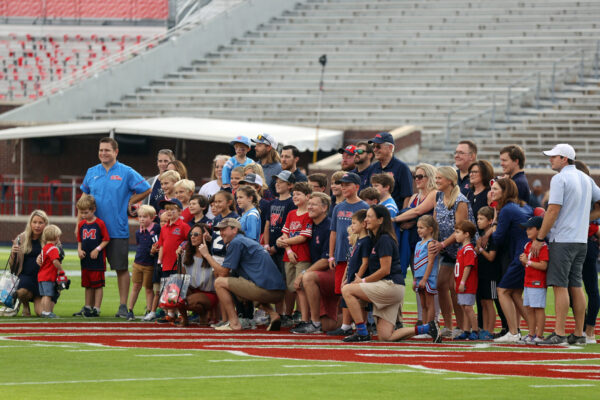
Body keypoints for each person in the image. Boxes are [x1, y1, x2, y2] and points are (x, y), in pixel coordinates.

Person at [532, 144, 600, 345]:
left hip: (562, 239)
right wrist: (585, 218)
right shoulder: (586, 178)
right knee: (576, 285)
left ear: (564, 158)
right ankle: (578, 333)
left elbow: (553, 210)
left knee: (560, 286)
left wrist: (539, 238)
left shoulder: (560, 178)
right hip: (580, 240)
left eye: (554, 157)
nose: (550, 160)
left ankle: (559, 333)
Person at [80, 137, 151, 318]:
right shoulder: (91, 172)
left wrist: (131, 201)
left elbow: (146, 188)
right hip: (92, 230)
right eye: (101, 150)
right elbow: (83, 200)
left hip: (117, 229)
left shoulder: (126, 172)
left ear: (116, 152)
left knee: (120, 267)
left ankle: (122, 306)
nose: (103, 153)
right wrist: (78, 226)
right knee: (90, 268)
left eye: (107, 150)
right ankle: (89, 307)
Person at [199, 218, 286, 331]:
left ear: (235, 229)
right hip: (278, 292)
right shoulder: (244, 241)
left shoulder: (236, 242)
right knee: (241, 286)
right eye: (219, 230)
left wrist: (206, 255)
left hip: (265, 290)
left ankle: (234, 323)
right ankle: (273, 315)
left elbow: (223, 273)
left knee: (219, 282)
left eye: (224, 229)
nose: (221, 233)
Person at [340, 205, 405, 342]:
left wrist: (363, 281)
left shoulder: (384, 239)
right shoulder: (377, 238)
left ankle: (362, 332)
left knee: (347, 290)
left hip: (391, 285)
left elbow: (385, 270)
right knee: (385, 337)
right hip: (391, 287)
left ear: (380, 220)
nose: (366, 219)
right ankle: (427, 328)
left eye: (369, 216)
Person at [431, 166, 474, 337]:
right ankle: (448, 325)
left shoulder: (460, 201)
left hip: (461, 249)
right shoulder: (439, 196)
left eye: (440, 178)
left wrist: (441, 244)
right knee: (441, 284)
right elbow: (435, 221)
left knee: (454, 286)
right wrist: (433, 240)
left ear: (450, 180)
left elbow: (460, 229)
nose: (437, 181)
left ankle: (462, 326)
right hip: (446, 249)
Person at [490, 179, 532, 343]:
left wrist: (493, 223)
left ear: (505, 191)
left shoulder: (507, 209)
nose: (492, 192)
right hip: (525, 253)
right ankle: (534, 330)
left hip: (519, 255)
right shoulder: (522, 205)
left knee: (502, 290)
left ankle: (513, 332)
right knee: (514, 293)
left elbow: (498, 238)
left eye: (495, 189)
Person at [327, 172, 369, 336]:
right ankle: (345, 325)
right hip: (341, 255)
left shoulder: (364, 207)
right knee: (342, 290)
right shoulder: (338, 207)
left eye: (347, 185)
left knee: (355, 290)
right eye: (341, 185)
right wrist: (331, 255)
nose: (343, 188)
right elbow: (333, 233)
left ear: (357, 187)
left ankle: (360, 324)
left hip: (357, 256)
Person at [290, 192, 336, 334]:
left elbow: (325, 260)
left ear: (324, 208)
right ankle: (305, 320)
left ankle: (314, 323)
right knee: (327, 326)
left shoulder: (329, 227)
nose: (309, 207)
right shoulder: (310, 224)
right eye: (309, 204)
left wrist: (304, 273)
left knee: (306, 277)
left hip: (331, 271)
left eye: (314, 204)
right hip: (318, 271)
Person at [277, 182, 313, 322]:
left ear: (307, 196)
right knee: (290, 286)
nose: (295, 197)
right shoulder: (291, 213)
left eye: (298, 194)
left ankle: (303, 316)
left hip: (303, 256)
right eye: (294, 194)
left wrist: (284, 243)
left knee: (300, 286)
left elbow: (303, 237)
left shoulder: (308, 215)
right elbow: (285, 233)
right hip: (289, 255)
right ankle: (289, 314)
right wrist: (288, 250)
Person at [575, 161, 600, 344]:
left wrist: (584, 222)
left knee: (590, 288)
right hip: (577, 241)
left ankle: (589, 329)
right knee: (570, 288)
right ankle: (583, 327)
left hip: (585, 242)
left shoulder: (590, 190)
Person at [8, 210, 49, 317]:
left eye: (41, 223)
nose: (37, 226)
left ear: (46, 224)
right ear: (30, 223)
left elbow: (59, 253)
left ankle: (35, 300)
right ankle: (25, 306)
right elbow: (12, 266)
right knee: (21, 292)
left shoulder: (50, 237)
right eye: (34, 222)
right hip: (26, 277)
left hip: (43, 278)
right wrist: (13, 253)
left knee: (41, 313)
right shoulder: (21, 238)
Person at [156, 198, 191, 323]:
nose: (169, 212)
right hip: (166, 263)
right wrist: (159, 262)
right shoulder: (164, 227)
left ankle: (181, 314)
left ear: (180, 211)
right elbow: (161, 245)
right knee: (168, 288)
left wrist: (182, 246)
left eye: (172, 209)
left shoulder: (184, 226)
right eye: (167, 209)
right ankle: (171, 313)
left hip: (178, 264)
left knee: (178, 288)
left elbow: (190, 240)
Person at [74, 195, 109, 318]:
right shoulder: (81, 224)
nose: (83, 215)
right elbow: (79, 240)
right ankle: (87, 307)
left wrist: (97, 249)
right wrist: (79, 250)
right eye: (81, 213)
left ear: (93, 209)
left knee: (97, 285)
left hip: (97, 260)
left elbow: (106, 239)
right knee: (87, 285)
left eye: (85, 212)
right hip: (85, 260)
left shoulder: (100, 223)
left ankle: (96, 308)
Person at [127, 205, 160, 321]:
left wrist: (153, 251)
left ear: (152, 218)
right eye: (140, 216)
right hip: (138, 263)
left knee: (148, 288)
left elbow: (157, 246)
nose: (141, 219)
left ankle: (149, 310)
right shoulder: (138, 232)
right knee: (135, 286)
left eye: (145, 217)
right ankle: (130, 310)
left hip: (149, 265)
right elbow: (139, 246)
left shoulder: (156, 229)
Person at [518, 216, 549, 343]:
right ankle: (531, 334)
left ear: (539, 230)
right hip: (528, 281)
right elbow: (526, 264)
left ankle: (539, 335)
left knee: (538, 308)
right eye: (527, 228)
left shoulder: (542, 246)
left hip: (537, 282)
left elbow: (544, 265)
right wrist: (523, 261)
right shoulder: (528, 245)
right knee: (530, 308)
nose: (527, 231)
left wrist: (528, 261)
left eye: (530, 228)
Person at [181, 223, 218, 327]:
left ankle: (204, 315)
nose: (192, 237)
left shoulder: (212, 255)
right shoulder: (186, 255)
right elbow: (182, 280)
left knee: (184, 301)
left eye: (196, 234)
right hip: (192, 290)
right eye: (191, 234)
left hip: (209, 293)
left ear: (205, 236)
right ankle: (185, 319)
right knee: (178, 293)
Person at [368, 132, 413, 208]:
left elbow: (407, 196)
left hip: (392, 215)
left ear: (390, 148)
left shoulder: (402, 168)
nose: (375, 149)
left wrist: (401, 217)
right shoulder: (373, 167)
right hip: (374, 215)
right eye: (373, 146)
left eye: (378, 146)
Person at [475, 206, 499, 340]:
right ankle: (484, 329)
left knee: (489, 303)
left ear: (490, 221)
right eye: (478, 218)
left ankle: (490, 329)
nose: (478, 221)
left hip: (491, 275)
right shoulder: (480, 236)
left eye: (481, 219)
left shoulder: (493, 237)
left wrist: (480, 249)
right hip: (481, 273)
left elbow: (491, 257)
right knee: (483, 302)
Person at [453, 220, 479, 341]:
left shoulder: (468, 249)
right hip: (461, 282)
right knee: (464, 307)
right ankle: (466, 330)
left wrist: (462, 282)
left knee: (468, 307)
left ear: (466, 234)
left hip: (468, 283)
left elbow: (468, 266)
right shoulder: (462, 249)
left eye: (458, 232)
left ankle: (475, 330)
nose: (455, 235)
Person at [413, 215, 439, 324]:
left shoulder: (431, 243)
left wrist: (425, 278)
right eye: (418, 227)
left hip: (428, 278)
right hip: (419, 277)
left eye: (421, 227)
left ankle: (430, 327)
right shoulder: (418, 243)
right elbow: (415, 263)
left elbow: (431, 262)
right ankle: (423, 328)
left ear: (430, 229)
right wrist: (415, 279)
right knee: (423, 305)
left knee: (429, 304)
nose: (419, 230)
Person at [38, 225, 64, 318]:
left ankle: (44, 312)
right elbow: (55, 261)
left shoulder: (44, 248)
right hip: (48, 276)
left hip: (41, 275)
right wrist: (61, 270)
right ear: (56, 237)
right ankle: (48, 312)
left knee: (44, 295)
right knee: (48, 295)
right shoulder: (53, 248)